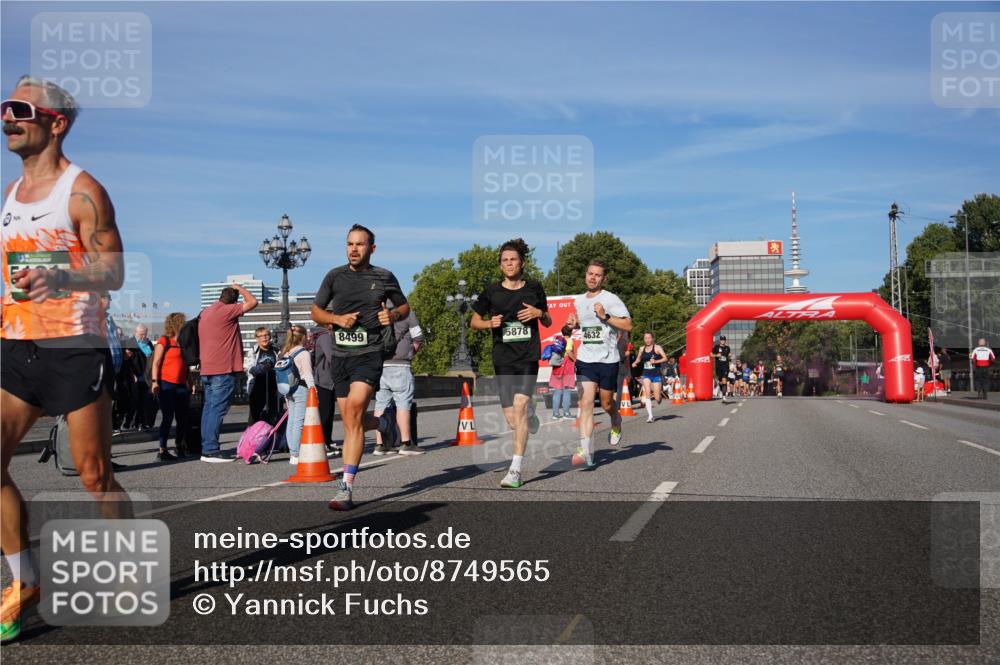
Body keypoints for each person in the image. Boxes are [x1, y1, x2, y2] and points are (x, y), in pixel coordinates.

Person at [1, 77, 130, 642]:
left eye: (22, 109)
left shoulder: (82, 192)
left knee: (94, 475)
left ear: (56, 123)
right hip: (16, 346)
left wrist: (61, 274)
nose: (9, 116)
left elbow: (115, 272)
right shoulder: (10, 194)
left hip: (74, 348)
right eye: (6, 107)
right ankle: (23, 580)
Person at [311, 224, 408, 510]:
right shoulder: (334, 276)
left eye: (360, 244)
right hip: (341, 357)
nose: (354, 249)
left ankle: (346, 487)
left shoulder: (384, 276)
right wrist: (337, 320)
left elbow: (405, 307)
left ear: (371, 248)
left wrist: (392, 314)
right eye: (350, 244)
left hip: (370, 353)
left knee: (354, 409)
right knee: (352, 420)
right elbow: (316, 311)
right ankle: (383, 423)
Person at [471, 239, 550, 488]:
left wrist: (539, 314)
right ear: (500, 265)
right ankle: (530, 416)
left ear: (522, 263)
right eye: (504, 260)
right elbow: (474, 321)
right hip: (502, 358)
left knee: (519, 407)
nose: (509, 263)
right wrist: (488, 324)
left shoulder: (534, 288)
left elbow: (547, 320)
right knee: (512, 419)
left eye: (513, 259)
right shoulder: (492, 291)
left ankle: (515, 469)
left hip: (527, 356)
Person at [565, 260, 632, 467]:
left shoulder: (610, 299)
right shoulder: (578, 300)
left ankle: (616, 420)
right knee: (585, 403)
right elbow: (579, 326)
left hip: (608, 360)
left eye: (597, 275)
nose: (592, 277)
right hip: (585, 359)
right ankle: (585, 451)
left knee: (606, 403)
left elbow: (628, 325)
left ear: (604, 278)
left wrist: (606, 316)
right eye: (590, 273)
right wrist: (572, 325)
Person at [198, 283, 257, 462]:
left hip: (207, 368)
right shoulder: (227, 311)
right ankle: (210, 450)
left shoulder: (206, 312)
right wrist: (241, 288)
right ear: (233, 301)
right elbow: (253, 302)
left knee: (209, 409)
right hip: (222, 369)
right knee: (217, 409)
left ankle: (206, 447)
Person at [373, 305, 425, 456]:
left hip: (380, 365)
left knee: (380, 404)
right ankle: (406, 443)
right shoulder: (406, 312)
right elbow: (418, 337)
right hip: (401, 365)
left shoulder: (375, 313)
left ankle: (380, 445)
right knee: (403, 404)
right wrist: (410, 351)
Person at [151, 313, 191, 461]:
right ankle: (162, 450)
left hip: (181, 385)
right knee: (167, 417)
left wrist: (190, 382)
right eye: (183, 322)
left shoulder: (183, 342)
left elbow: (185, 365)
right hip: (166, 384)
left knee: (182, 418)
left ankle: (180, 447)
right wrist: (155, 382)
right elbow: (156, 363)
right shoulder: (164, 341)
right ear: (176, 324)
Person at [278, 325, 316, 465]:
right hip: (301, 388)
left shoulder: (284, 353)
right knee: (299, 422)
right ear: (303, 337)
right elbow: (307, 375)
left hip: (289, 390)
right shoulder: (303, 353)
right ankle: (296, 453)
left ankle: (293, 452)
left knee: (292, 421)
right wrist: (313, 391)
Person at [311, 324, 340, 455]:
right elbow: (331, 357)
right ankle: (322, 443)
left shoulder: (322, 335)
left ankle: (327, 441)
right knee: (325, 413)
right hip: (325, 379)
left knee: (328, 412)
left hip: (325, 378)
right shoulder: (325, 336)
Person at [245, 327, 279, 424]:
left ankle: (273, 437)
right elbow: (251, 368)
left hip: (273, 386)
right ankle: (252, 437)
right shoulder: (253, 351)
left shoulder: (276, 350)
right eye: (261, 336)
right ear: (257, 338)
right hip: (257, 387)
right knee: (254, 416)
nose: (264, 338)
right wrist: (262, 368)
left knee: (273, 415)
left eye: (266, 335)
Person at [124, 324, 154, 431]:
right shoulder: (130, 343)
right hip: (135, 375)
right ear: (135, 333)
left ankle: (140, 422)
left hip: (146, 376)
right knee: (134, 400)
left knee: (144, 401)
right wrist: (132, 374)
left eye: (145, 334)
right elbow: (126, 362)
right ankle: (128, 422)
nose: (143, 336)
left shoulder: (149, 343)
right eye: (141, 334)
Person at [631, 332, 666, 422]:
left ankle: (659, 398)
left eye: (649, 338)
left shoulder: (657, 348)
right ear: (644, 339)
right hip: (646, 374)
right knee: (647, 393)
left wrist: (656, 361)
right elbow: (639, 358)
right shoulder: (641, 349)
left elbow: (665, 358)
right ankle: (650, 416)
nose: (647, 340)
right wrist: (635, 362)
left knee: (657, 398)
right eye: (646, 338)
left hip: (656, 374)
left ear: (652, 338)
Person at [548, 325, 577, 420]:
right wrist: (575, 360)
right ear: (571, 332)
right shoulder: (569, 340)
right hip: (567, 366)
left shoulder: (558, 340)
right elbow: (568, 351)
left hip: (557, 366)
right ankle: (566, 413)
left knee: (557, 391)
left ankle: (555, 414)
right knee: (566, 390)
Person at [713, 335, 732, 401]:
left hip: (725, 366)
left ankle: (724, 396)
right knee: (721, 381)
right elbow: (710, 354)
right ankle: (721, 390)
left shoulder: (727, 348)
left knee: (724, 380)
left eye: (724, 340)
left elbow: (729, 358)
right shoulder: (716, 347)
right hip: (718, 366)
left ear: (725, 340)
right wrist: (716, 355)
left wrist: (729, 356)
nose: (723, 341)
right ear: (720, 340)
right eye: (721, 340)